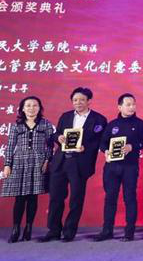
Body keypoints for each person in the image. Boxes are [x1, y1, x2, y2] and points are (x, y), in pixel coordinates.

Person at [43, 87, 107, 242]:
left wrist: (86, 148)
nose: (78, 103)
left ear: (89, 101)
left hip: (80, 163)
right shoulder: (65, 116)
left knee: (76, 199)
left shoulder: (99, 119)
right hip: (61, 161)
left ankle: (69, 232)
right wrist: (58, 137)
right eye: (75, 100)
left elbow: (101, 142)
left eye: (82, 100)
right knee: (55, 197)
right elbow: (56, 134)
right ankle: (53, 230)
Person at [94, 93, 143, 242]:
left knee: (129, 197)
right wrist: (106, 150)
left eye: (133, 104)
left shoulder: (140, 124)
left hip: (130, 167)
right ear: (119, 107)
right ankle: (107, 230)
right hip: (112, 166)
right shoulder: (112, 124)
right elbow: (103, 143)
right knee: (110, 198)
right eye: (128, 104)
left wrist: (132, 146)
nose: (132, 107)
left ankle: (129, 231)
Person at [1, 96, 55, 243]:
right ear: (23, 109)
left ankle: (29, 227)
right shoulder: (16, 126)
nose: (31, 108)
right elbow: (10, 146)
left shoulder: (46, 124)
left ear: (40, 108)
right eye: (28, 105)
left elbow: (50, 145)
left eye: (35, 105)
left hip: (38, 162)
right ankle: (16, 229)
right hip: (19, 162)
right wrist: (7, 165)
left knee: (33, 197)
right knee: (20, 198)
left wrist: (47, 160)